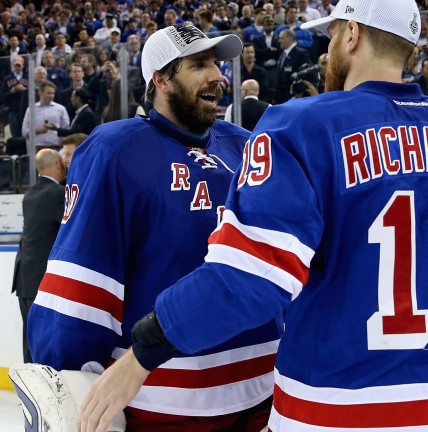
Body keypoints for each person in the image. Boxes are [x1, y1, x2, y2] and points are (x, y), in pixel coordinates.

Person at [77, 0, 428, 430]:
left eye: (332, 35)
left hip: (331, 413)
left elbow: (247, 281)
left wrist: (142, 350)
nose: (328, 48)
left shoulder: (298, 126)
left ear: (351, 34)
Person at [23, 22, 281, 431]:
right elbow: (83, 282)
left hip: (266, 400)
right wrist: (68, 377)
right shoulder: (116, 149)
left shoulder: (245, 145)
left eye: (216, 64)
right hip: (169, 408)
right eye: (199, 65)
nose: (218, 75)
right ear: (160, 79)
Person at [11, 148, 66, 363]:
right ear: (58, 165)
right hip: (42, 281)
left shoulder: (30, 194)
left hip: (24, 278)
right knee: (45, 341)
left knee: (29, 340)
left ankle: (28, 392)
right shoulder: (57, 194)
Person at [22, 81, 70, 148]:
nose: (51, 96)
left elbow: (66, 129)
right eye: (49, 93)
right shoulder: (31, 109)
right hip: (37, 146)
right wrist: (38, 130)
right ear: (40, 92)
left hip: (56, 146)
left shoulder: (61, 109)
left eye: (53, 93)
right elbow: (24, 131)